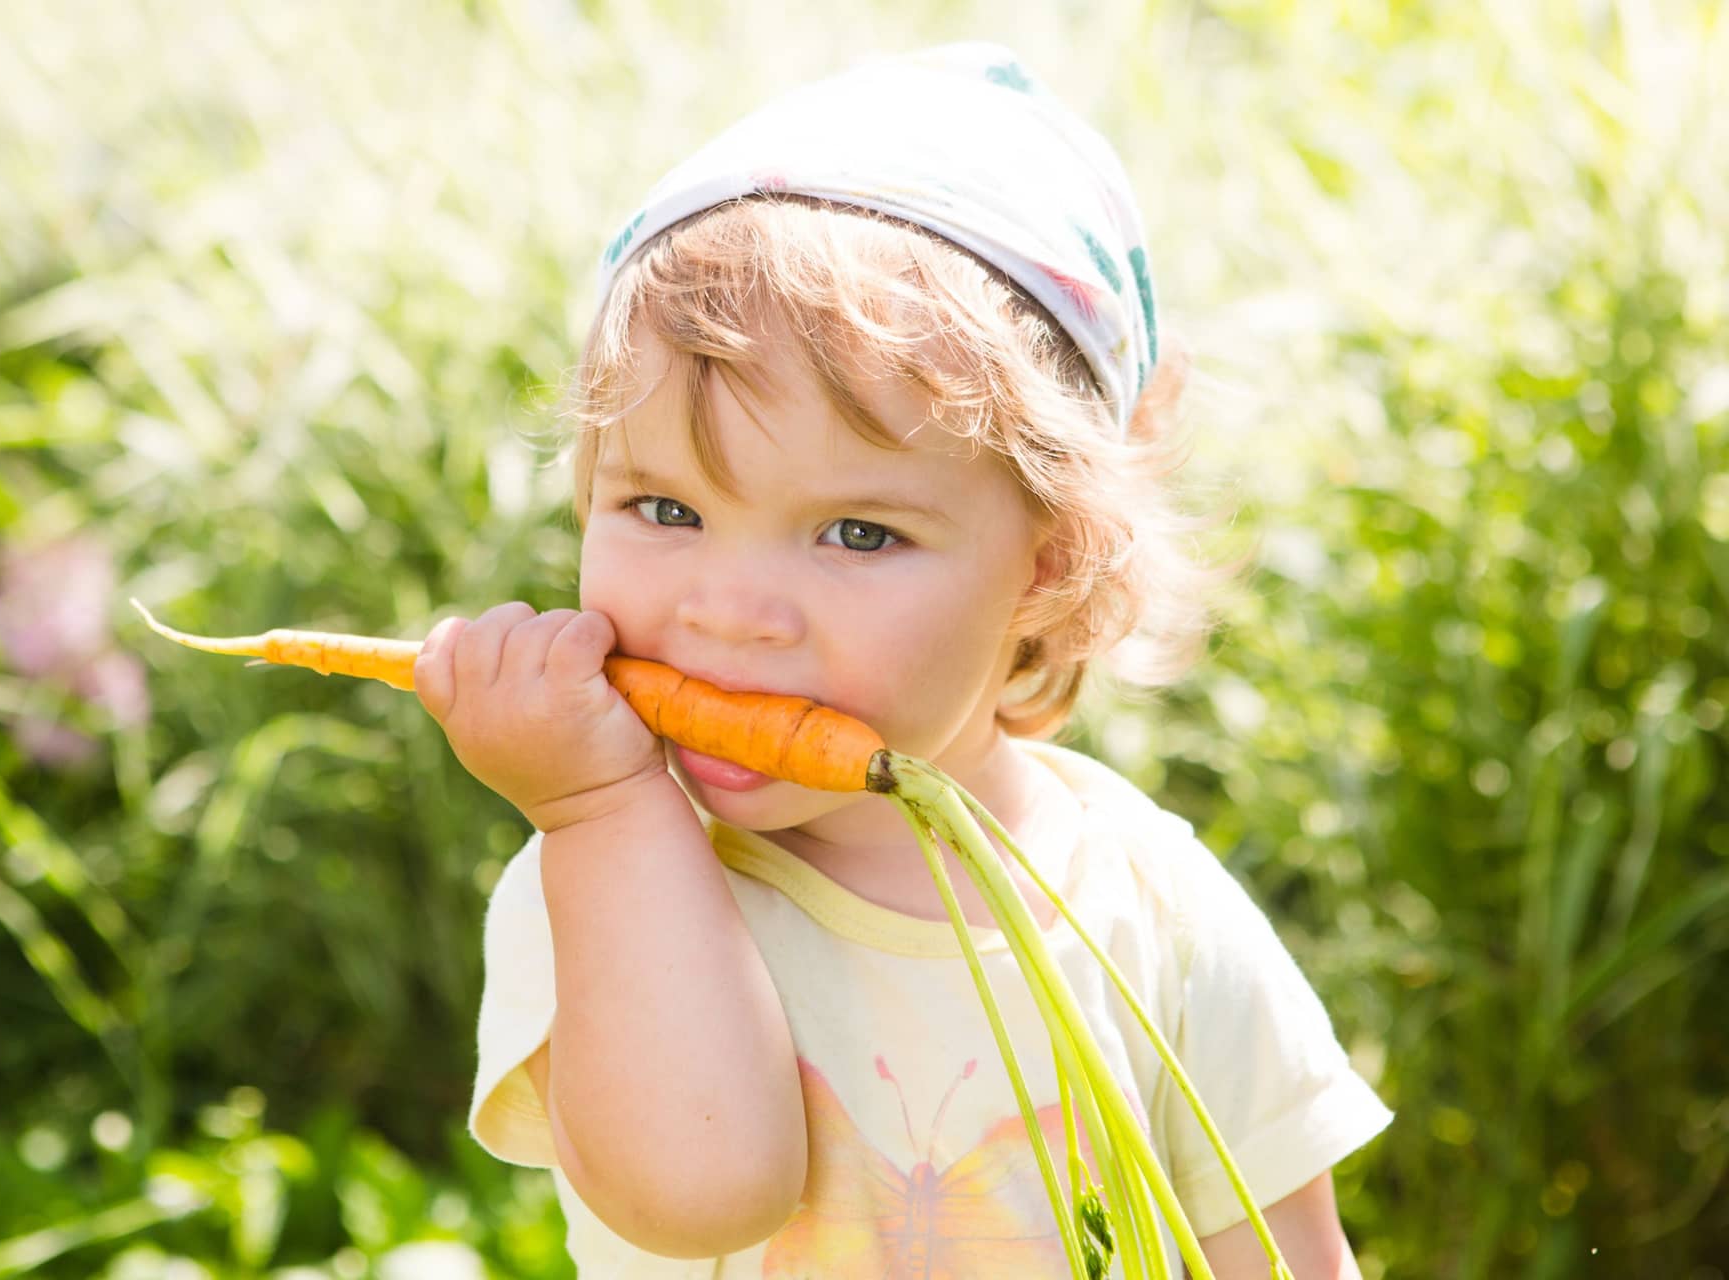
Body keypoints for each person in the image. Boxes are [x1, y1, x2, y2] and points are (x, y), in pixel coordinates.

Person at [413, 41, 1392, 1278]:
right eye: (662, 510)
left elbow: (1286, 1258)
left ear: (1050, 558)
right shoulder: (606, 880)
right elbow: (701, 1191)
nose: (727, 613)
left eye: (856, 532)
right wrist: (599, 809)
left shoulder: (1147, 908)